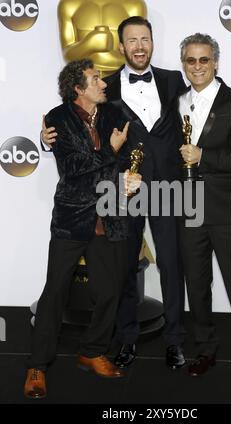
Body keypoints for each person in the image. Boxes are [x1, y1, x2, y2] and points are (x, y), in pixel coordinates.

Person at [42, 16, 187, 370]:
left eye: (145, 39)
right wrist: (46, 139)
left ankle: (175, 341)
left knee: (171, 265)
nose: (140, 46)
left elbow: (202, 104)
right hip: (120, 189)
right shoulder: (104, 89)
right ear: (121, 47)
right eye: (132, 40)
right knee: (122, 269)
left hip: (168, 187)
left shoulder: (173, 81)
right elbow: (76, 121)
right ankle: (126, 339)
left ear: (152, 43)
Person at [24, 59, 141, 399]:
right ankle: (37, 365)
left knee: (108, 291)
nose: (103, 84)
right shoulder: (58, 118)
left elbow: (128, 155)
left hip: (109, 215)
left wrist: (129, 175)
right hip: (72, 218)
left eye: (102, 78)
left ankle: (92, 351)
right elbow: (73, 166)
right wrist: (110, 151)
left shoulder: (113, 114)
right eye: (95, 79)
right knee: (55, 293)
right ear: (78, 87)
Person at [178, 33, 231, 382]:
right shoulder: (176, 103)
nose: (197, 66)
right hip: (188, 210)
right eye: (191, 60)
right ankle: (205, 349)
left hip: (227, 211)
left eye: (204, 60)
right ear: (184, 64)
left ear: (215, 62)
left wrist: (204, 157)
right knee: (196, 286)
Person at [57, 0, 147, 77]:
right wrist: (89, 44)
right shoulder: (69, 5)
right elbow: (67, 55)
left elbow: (138, 55)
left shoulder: (134, 5)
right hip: (84, 82)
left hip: (123, 80)